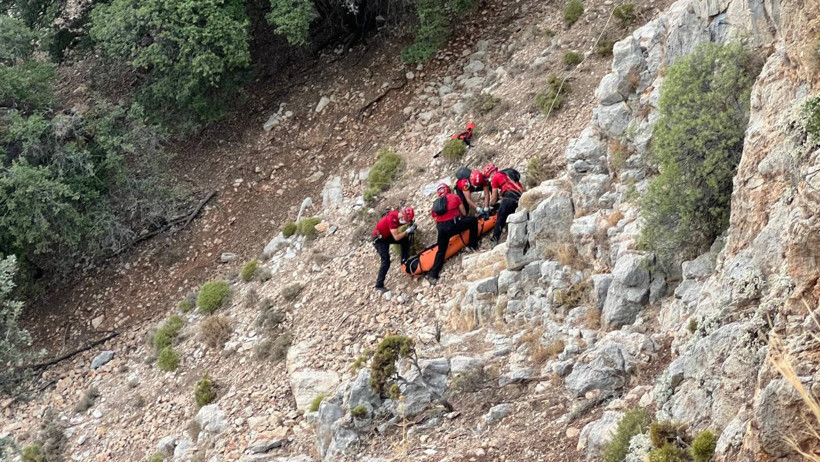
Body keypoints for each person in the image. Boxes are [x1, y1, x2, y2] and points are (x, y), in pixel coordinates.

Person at [427, 183, 479, 285]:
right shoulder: (455, 197)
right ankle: (473, 245)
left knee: (441, 250)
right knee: (473, 221)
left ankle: (433, 274)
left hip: (441, 229)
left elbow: (435, 219)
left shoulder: (436, 204)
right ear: (448, 190)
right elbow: (463, 213)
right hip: (453, 225)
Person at [372, 206, 416, 292]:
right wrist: (408, 231)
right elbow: (396, 237)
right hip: (379, 240)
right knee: (386, 261)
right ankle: (379, 285)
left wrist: (412, 225)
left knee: (405, 241)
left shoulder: (398, 215)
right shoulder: (392, 219)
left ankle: (404, 262)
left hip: (386, 236)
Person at [485, 163, 524, 244]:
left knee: (500, 219)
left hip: (509, 198)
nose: (490, 178)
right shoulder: (506, 174)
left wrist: (491, 206)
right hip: (519, 197)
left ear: (491, 173)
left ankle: (494, 239)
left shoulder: (495, 177)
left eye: (489, 176)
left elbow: (494, 197)